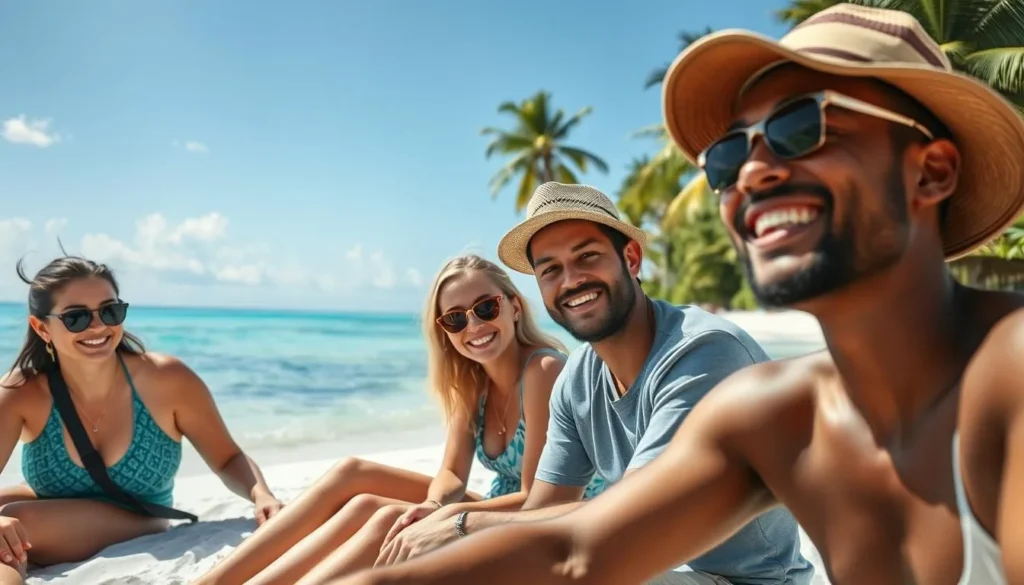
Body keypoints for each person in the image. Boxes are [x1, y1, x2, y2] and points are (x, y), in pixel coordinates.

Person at [327, 4, 1024, 585]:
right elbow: (574, 550)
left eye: (799, 127)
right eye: (729, 154)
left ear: (930, 171)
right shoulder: (777, 413)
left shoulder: (1010, 376)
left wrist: (460, 522)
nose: (751, 171)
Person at [365, 182, 813, 585]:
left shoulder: (702, 354)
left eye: (587, 257)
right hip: (655, 566)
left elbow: (629, 523)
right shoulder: (576, 378)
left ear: (631, 258)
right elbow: (540, 512)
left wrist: (462, 523)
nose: (571, 280)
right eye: (550, 270)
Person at [195, 253, 604, 585]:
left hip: (560, 521)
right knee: (354, 476)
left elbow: (539, 499)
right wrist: (432, 503)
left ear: (514, 306)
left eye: (485, 307)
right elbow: (450, 473)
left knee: (387, 516)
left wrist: (442, 516)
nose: (474, 326)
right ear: (444, 329)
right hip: (504, 508)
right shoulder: (471, 381)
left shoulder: (543, 371)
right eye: (456, 318)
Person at [0, 256, 282, 584]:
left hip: (140, 516)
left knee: (12, 520)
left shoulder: (167, 379)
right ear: (41, 327)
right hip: (57, 507)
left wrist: (261, 494)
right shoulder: (21, 391)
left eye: (110, 310)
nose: (98, 326)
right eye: (76, 317)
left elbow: (227, 456)